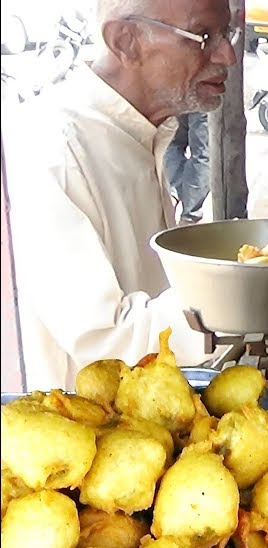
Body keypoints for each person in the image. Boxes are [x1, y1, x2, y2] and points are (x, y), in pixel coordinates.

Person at [4, 0, 236, 391]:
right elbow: (103, 341)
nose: (227, 54)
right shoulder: (53, 148)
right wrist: (249, 295)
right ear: (125, 41)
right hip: (82, 435)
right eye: (204, 37)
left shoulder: (141, 132)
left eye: (227, 35)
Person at [164, 112, 210, 224]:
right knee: (202, 154)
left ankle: (172, 194)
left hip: (177, 97)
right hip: (205, 99)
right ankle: (189, 216)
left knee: (174, 144)